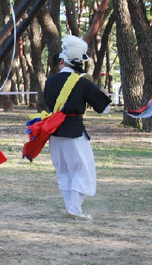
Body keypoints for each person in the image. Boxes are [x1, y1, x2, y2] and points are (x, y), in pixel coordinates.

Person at [43, 35, 111, 221]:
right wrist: (103, 95)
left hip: (54, 131)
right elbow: (103, 109)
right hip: (73, 131)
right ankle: (74, 209)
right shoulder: (82, 82)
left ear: (63, 61)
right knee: (82, 169)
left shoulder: (50, 82)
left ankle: (71, 207)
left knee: (63, 170)